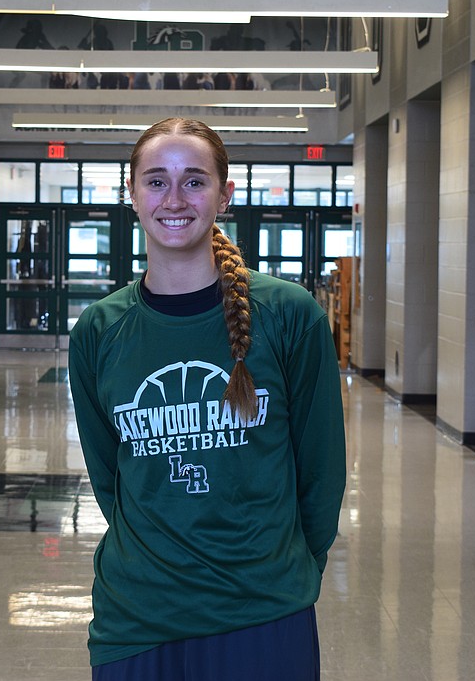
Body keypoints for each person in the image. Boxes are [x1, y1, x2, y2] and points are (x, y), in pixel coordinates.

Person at [68, 118, 347, 680]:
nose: (174, 199)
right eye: (155, 181)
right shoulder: (100, 330)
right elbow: (110, 479)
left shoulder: (290, 316)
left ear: (225, 195)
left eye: (194, 181)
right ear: (132, 195)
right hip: (137, 619)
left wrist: (282, 573)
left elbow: (321, 472)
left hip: (264, 616)